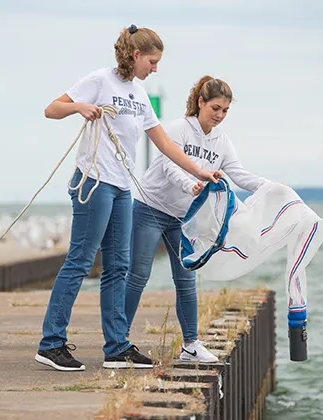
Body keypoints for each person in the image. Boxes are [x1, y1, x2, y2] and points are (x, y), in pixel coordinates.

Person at [35, 26, 222, 372]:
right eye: (152, 61)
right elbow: (51, 109)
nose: (155, 69)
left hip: (122, 189)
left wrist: (199, 172)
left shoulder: (137, 94)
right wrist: (79, 107)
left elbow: (165, 143)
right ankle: (51, 343)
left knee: (118, 268)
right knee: (80, 260)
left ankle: (117, 348)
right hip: (94, 182)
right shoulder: (100, 80)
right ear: (136, 56)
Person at [124, 75, 268, 363]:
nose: (219, 115)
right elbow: (167, 165)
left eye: (225, 111)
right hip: (150, 208)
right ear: (200, 102)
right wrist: (190, 185)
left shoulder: (222, 142)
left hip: (183, 218)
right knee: (138, 276)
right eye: (215, 108)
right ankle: (118, 340)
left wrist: (269, 187)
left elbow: (237, 173)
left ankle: (190, 345)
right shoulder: (179, 129)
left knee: (186, 280)